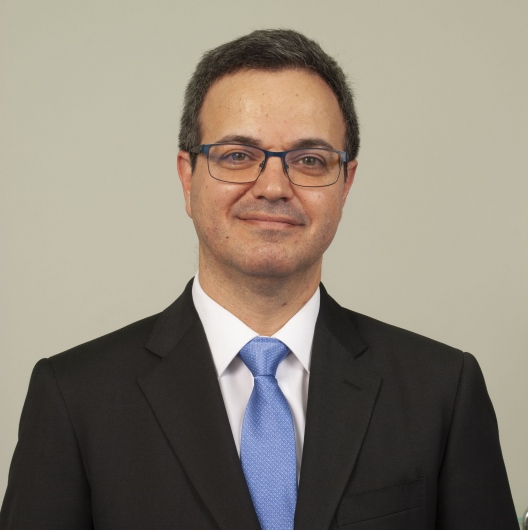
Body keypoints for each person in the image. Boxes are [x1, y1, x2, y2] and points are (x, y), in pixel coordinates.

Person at [0, 29, 517, 530]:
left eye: (309, 160)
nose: (273, 187)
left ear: (346, 184)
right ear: (187, 176)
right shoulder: (74, 397)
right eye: (237, 156)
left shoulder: (442, 390)